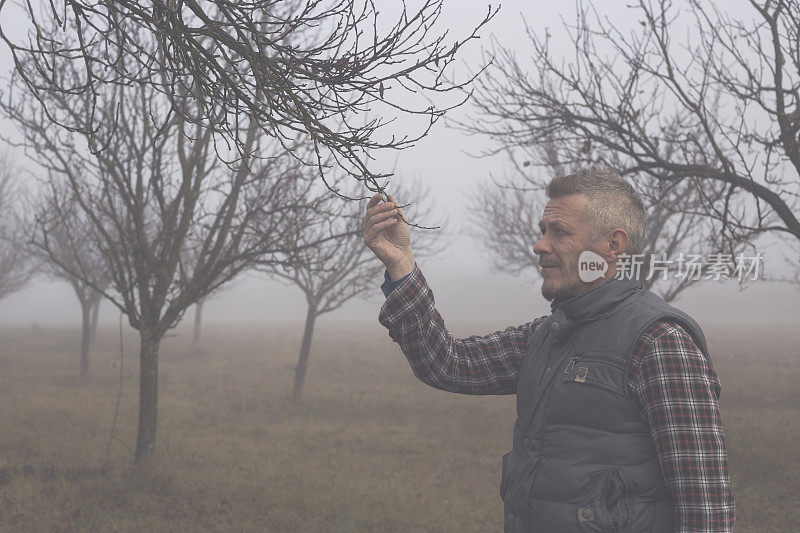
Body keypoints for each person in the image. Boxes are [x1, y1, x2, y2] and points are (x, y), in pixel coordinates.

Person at [362, 166, 734, 532]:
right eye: (543, 231)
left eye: (560, 232)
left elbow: (705, 506)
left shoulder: (660, 341)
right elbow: (446, 363)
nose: (540, 245)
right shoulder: (549, 334)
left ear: (613, 245)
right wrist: (401, 263)